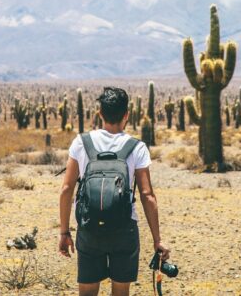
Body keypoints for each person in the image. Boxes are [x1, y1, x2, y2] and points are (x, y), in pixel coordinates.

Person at [59, 87, 170, 296]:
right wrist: (157, 240)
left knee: (87, 292)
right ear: (127, 115)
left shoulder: (82, 142)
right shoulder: (136, 147)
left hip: (89, 228)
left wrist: (64, 232)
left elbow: (66, 189)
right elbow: (147, 195)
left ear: (100, 113)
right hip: (124, 229)